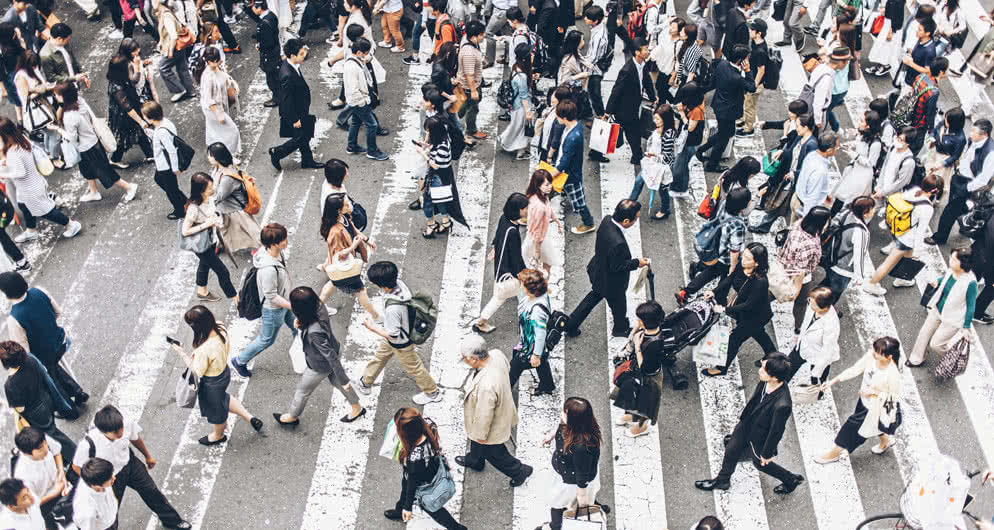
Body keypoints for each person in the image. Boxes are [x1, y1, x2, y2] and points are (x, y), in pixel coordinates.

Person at [695, 354, 805, 494]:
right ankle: (723, 480)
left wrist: (767, 453)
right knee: (731, 449)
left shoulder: (783, 404)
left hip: (759, 436)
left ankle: (790, 480)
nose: (760, 370)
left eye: (764, 369)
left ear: (775, 377)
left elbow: (776, 431)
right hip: (748, 422)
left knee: (761, 464)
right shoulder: (766, 381)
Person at [71, 406, 191, 529]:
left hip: (130, 465)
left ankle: (172, 521)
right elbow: (77, 466)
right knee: (110, 513)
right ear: (102, 431)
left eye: (121, 429)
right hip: (109, 478)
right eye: (115, 432)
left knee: (152, 491)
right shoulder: (88, 444)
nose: (120, 433)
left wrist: (147, 456)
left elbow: (135, 438)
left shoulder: (125, 423)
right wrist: (97, 483)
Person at [172, 306, 263, 445]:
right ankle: (249, 417)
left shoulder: (204, 349)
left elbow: (197, 371)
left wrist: (182, 353)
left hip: (211, 383)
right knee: (223, 398)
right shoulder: (221, 328)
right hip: (223, 373)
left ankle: (218, 435)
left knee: (217, 414)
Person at [274, 287, 364, 427]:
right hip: (333, 351)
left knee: (303, 390)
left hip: (320, 365)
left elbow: (329, 355)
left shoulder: (314, 332)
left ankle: (292, 416)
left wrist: (344, 378)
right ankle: (356, 407)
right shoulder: (320, 307)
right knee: (339, 384)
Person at [356, 261, 441, 404]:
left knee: (415, 368)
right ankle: (365, 382)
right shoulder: (400, 285)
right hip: (400, 335)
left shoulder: (393, 309)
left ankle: (432, 392)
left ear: (381, 285)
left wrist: (371, 327)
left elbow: (393, 334)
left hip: (400, 342)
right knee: (380, 357)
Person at [1, 271, 88, 410]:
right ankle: (76, 390)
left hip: (46, 356)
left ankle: (68, 406)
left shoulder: (14, 319)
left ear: (6, 293)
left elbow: (25, 353)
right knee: (53, 366)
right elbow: (57, 312)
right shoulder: (39, 291)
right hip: (61, 341)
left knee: (47, 376)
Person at [455, 335, 533, 486]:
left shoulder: (486, 386)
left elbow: (484, 415)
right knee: (478, 444)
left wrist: (480, 435)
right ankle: (475, 460)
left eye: (464, 357)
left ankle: (519, 471)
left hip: (492, 425)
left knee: (495, 453)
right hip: (502, 408)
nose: (463, 360)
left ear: (473, 359)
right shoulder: (497, 354)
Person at [566, 200, 650, 338]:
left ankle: (571, 324)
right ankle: (620, 329)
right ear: (626, 220)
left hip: (599, 271)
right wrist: (637, 263)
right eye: (635, 219)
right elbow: (618, 266)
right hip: (612, 282)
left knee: (592, 298)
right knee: (619, 306)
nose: (636, 222)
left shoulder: (607, 221)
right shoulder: (618, 243)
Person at [816, 336, 903, 462]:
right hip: (863, 401)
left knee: (851, 428)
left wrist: (872, 392)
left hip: (873, 408)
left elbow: (893, 397)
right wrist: (833, 381)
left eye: (878, 353)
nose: (874, 354)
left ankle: (834, 453)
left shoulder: (892, 374)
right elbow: (855, 369)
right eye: (875, 350)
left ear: (889, 356)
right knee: (872, 426)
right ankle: (885, 441)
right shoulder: (872, 357)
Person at [51, 83, 137, 204]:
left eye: (57, 95)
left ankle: (129, 187)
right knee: (87, 170)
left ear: (64, 97)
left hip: (87, 148)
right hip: (92, 142)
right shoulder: (79, 102)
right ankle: (93, 192)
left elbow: (72, 137)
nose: (55, 97)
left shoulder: (70, 116)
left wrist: (58, 129)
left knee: (105, 172)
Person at [700, 242, 777, 377]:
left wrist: (724, 309)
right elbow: (730, 279)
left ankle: (721, 368)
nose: (743, 260)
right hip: (746, 312)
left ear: (757, 263)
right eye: (744, 255)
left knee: (734, 339)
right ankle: (773, 356)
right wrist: (714, 291)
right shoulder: (743, 266)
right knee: (759, 333)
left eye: (748, 258)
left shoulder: (761, 282)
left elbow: (749, 305)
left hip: (755, 316)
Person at [0, 117, 82, 243]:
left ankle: (70, 224)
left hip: (30, 189)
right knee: (23, 205)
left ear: (5, 135)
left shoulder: (12, 151)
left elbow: (20, 172)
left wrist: (6, 173)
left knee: (46, 211)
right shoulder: (21, 139)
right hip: (33, 183)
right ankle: (31, 230)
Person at [231, 224, 295, 378]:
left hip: (283, 301)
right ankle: (239, 361)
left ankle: (306, 349)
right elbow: (271, 296)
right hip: (274, 309)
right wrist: (292, 306)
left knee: (298, 327)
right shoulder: (268, 269)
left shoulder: (275, 253)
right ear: (273, 244)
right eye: (284, 239)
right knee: (266, 340)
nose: (287, 241)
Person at [384, 408, 466, 528]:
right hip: (432, 468)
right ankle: (399, 510)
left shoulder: (415, 459)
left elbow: (412, 483)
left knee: (433, 509)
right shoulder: (428, 424)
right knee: (405, 489)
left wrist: (408, 508)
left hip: (424, 483)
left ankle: (457, 528)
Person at [864, 174, 942, 296]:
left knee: (908, 257)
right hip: (907, 238)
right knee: (889, 263)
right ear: (935, 191)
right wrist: (918, 251)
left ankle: (904, 279)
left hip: (898, 229)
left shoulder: (915, 191)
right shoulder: (927, 208)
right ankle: (871, 284)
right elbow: (920, 231)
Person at [1, 341, 76, 463]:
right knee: (54, 434)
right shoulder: (30, 358)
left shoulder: (11, 384)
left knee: (55, 437)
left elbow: (20, 409)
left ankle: (76, 457)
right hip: (46, 400)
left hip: (37, 416)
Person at [538, 397, 603, 530]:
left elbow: (582, 474)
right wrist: (552, 435)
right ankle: (594, 505)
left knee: (557, 503)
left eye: (565, 413)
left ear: (574, 421)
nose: (562, 414)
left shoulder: (581, 447)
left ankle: (555, 526)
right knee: (586, 499)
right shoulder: (583, 425)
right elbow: (561, 426)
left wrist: (583, 501)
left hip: (571, 481)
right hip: (569, 472)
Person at [677, 188, 751, 303]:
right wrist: (733, 266)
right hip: (725, 257)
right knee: (726, 278)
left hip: (715, 249)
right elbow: (734, 249)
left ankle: (686, 292)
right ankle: (720, 299)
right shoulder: (737, 225)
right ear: (742, 206)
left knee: (709, 273)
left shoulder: (725, 204)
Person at [928, 119, 994, 246]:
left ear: (984, 134)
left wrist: (965, 188)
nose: (970, 134)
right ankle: (966, 221)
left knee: (950, 210)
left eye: (974, 132)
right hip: (959, 176)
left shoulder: (990, 153)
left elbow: (983, 179)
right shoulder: (974, 141)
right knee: (959, 206)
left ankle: (940, 237)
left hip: (968, 183)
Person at [908, 247, 978, 367]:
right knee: (924, 333)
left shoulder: (970, 282)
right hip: (937, 309)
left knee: (936, 344)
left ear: (963, 264)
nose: (950, 260)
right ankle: (916, 358)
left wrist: (966, 326)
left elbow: (971, 306)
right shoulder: (952, 271)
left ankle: (953, 359)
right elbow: (944, 280)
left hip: (952, 319)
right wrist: (937, 281)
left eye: (954, 259)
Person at [474, 193, 530, 334]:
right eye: (525, 208)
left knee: (502, 297)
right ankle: (524, 324)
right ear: (518, 210)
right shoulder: (512, 232)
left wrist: (494, 246)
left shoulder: (505, 218)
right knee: (518, 295)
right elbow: (516, 257)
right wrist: (524, 273)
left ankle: (481, 321)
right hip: (509, 271)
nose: (528, 209)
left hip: (502, 269)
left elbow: (498, 234)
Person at [694, 44, 755, 173]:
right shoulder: (737, 78)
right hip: (729, 111)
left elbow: (713, 82)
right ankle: (712, 164)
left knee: (726, 132)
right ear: (741, 61)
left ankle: (701, 149)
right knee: (723, 139)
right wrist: (748, 71)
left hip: (719, 105)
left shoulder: (722, 65)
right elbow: (752, 87)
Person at [318, 194, 380, 318]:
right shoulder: (335, 232)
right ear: (338, 210)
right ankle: (376, 316)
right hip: (344, 264)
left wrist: (367, 240)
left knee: (333, 283)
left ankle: (316, 308)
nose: (350, 205)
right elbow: (339, 255)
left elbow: (353, 229)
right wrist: (353, 246)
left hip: (341, 266)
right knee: (360, 291)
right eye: (346, 205)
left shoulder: (344, 217)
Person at [612, 301, 667, 436]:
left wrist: (637, 347)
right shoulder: (647, 330)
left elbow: (646, 368)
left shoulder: (655, 344)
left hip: (649, 378)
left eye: (639, 319)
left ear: (645, 322)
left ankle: (641, 428)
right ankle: (632, 416)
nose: (637, 320)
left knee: (645, 406)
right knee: (633, 397)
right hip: (637, 371)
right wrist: (635, 331)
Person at [181, 176, 237, 301]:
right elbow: (185, 231)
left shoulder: (208, 199)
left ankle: (202, 291)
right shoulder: (193, 209)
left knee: (204, 264)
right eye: (210, 188)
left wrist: (215, 220)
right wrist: (206, 224)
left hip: (210, 239)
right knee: (222, 272)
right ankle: (235, 298)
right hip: (201, 243)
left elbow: (211, 214)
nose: (213, 189)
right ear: (201, 190)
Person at [270, 39, 323, 170]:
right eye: (301, 53)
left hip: (299, 108)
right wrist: (294, 119)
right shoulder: (287, 75)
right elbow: (286, 99)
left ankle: (307, 160)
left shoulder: (290, 66)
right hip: (295, 111)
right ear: (292, 56)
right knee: (301, 137)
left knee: (303, 135)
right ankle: (277, 152)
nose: (304, 54)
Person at [545, 99, 595, 234]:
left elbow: (564, 163)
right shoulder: (575, 126)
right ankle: (535, 211)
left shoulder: (574, 137)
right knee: (545, 191)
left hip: (570, 175)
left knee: (579, 202)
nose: (556, 118)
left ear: (565, 117)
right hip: (568, 172)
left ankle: (588, 223)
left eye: (558, 115)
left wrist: (548, 175)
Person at [605, 38, 656, 166]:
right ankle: (637, 156)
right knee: (631, 131)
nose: (647, 51)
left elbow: (647, 81)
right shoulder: (626, 70)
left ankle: (636, 155)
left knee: (621, 131)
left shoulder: (642, 65)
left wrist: (653, 97)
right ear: (637, 52)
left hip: (633, 106)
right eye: (645, 49)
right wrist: (608, 111)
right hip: (624, 108)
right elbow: (616, 90)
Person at [778, 207, 831, 329]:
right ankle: (798, 326)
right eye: (827, 221)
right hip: (798, 274)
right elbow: (800, 271)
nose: (828, 223)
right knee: (801, 302)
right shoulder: (809, 244)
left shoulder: (799, 224)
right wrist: (797, 289)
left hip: (784, 264)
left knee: (774, 290)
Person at [819, 196, 874, 305]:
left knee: (827, 283)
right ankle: (822, 310)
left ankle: (815, 300)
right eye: (872, 209)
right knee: (832, 294)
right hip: (844, 269)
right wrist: (859, 277)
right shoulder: (861, 231)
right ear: (865, 213)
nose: (874, 211)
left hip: (832, 258)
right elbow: (859, 256)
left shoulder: (847, 213)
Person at [207, 143, 261, 254]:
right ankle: (221, 244)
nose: (208, 157)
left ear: (217, 157)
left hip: (234, 209)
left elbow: (219, 196)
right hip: (225, 208)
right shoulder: (221, 168)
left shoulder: (227, 178)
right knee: (224, 229)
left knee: (251, 230)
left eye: (210, 155)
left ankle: (262, 247)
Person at [509, 269, 555, 395]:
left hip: (530, 346)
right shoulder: (537, 295)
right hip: (529, 340)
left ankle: (505, 390)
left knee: (515, 366)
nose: (520, 286)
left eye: (523, 284)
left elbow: (540, 334)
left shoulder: (537, 311)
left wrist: (536, 355)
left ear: (531, 289)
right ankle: (547, 384)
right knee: (541, 364)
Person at [786, 287, 840, 394]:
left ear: (823, 307)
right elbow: (806, 324)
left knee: (817, 378)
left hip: (818, 355)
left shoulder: (831, 324)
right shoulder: (813, 307)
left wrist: (817, 371)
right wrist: (799, 338)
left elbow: (827, 351)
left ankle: (818, 392)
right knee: (787, 369)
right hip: (802, 346)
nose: (810, 304)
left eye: (813, 303)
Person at [628, 104, 677, 220]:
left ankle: (665, 210)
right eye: (655, 118)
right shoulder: (659, 129)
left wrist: (653, 154)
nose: (655, 121)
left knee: (662, 189)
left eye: (658, 119)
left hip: (662, 167)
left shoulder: (668, 135)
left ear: (666, 119)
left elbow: (667, 157)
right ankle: (630, 203)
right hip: (652, 163)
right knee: (639, 181)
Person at [12, 427, 68, 528]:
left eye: (45, 444)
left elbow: (57, 452)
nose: (46, 448)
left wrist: (61, 472)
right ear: (26, 453)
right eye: (40, 449)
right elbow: (30, 505)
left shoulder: (41, 441)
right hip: (46, 503)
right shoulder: (23, 475)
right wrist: (55, 493)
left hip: (60, 486)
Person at [143, 101, 189, 221]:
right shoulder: (166, 123)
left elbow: (171, 150)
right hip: (163, 164)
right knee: (160, 180)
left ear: (151, 118)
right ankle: (183, 199)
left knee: (171, 190)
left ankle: (179, 210)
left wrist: (175, 168)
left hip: (165, 166)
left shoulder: (161, 132)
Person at [832, 111, 883, 214]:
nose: (859, 123)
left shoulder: (876, 144)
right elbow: (859, 144)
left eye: (861, 121)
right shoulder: (863, 134)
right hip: (854, 170)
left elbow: (870, 163)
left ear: (868, 126)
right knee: (841, 196)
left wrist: (855, 156)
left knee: (851, 201)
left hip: (862, 176)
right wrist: (851, 145)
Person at [199, 47, 240, 158]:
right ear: (207, 61)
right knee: (232, 131)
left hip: (220, 103)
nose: (215, 63)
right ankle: (230, 154)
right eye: (213, 61)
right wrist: (218, 114)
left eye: (217, 60)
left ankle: (214, 152)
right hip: (213, 109)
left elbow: (226, 79)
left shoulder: (217, 68)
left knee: (214, 130)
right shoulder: (208, 77)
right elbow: (208, 98)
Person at [522, 171, 563, 277]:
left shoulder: (540, 195)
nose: (550, 186)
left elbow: (548, 208)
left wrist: (557, 221)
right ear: (538, 185)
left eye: (550, 183)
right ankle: (542, 288)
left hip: (540, 238)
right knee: (542, 270)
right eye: (547, 184)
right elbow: (537, 231)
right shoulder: (539, 207)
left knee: (544, 266)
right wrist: (537, 250)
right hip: (538, 241)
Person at [156, 0, 197, 103]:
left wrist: (170, 51)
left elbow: (173, 36)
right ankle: (190, 90)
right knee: (182, 67)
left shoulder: (166, 16)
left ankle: (179, 89)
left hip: (174, 47)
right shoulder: (168, 12)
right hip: (180, 46)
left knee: (163, 68)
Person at [499, 42, 534, 160]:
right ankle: (521, 152)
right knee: (522, 129)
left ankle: (505, 140)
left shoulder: (515, 67)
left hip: (515, 105)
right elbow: (524, 96)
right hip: (521, 106)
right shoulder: (522, 76)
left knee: (516, 126)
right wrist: (528, 112)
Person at [792, 132, 837, 222]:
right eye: (836, 147)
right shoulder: (820, 171)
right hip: (804, 209)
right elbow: (811, 199)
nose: (837, 149)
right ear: (829, 150)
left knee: (792, 230)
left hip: (797, 199)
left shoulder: (812, 155)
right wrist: (806, 222)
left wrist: (823, 193)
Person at [671, 82, 704, 197]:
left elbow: (690, 128)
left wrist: (681, 113)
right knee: (682, 164)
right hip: (690, 140)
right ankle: (682, 186)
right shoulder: (698, 103)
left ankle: (680, 189)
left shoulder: (696, 111)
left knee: (680, 166)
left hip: (690, 142)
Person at [458, 20, 487, 142]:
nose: (483, 36)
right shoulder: (469, 53)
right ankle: (470, 130)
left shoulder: (466, 39)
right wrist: (474, 91)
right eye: (481, 34)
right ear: (474, 36)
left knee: (462, 108)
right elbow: (469, 75)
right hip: (468, 87)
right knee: (471, 109)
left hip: (467, 85)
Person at [738, 19, 768, 137]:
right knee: (745, 102)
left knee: (749, 106)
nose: (749, 31)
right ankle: (744, 120)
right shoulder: (756, 44)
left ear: (759, 33)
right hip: (750, 79)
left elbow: (761, 70)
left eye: (752, 29)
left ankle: (748, 129)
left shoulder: (760, 51)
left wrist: (753, 85)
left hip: (755, 83)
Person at [923, 106, 966, 185]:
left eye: (947, 120)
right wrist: (932, 136)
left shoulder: (960, 139)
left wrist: (942, 164)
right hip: (935, 150)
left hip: (944, 158)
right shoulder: (945, 122)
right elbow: (935, 129)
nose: (944, 121)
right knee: (927, 170)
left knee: (936, 181)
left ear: (953, 123)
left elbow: (955, 156)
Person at [72, 458, 118, 530]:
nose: (114, 478)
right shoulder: (87, 511)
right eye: (110, 479)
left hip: (110, 517)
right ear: (96, 485)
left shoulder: (97, 475)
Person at [39, 23, 87, 88]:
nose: (68, 41)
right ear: (59, 39)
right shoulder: (45, 55)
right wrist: (74, 78)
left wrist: (82, 74)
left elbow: (73, 60)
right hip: (65, 88)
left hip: (75, 82)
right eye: (67, 39)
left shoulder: (64, 44)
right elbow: (51, 78)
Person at [253, 0, 281, 107]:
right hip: (275, 51)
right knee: (275, 75)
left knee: (272, 78)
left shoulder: (264, 23)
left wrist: (259, 46)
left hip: (269, 55)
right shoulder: (271, 15)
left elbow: (268, 43)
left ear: (260, 8)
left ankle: (277, 98)